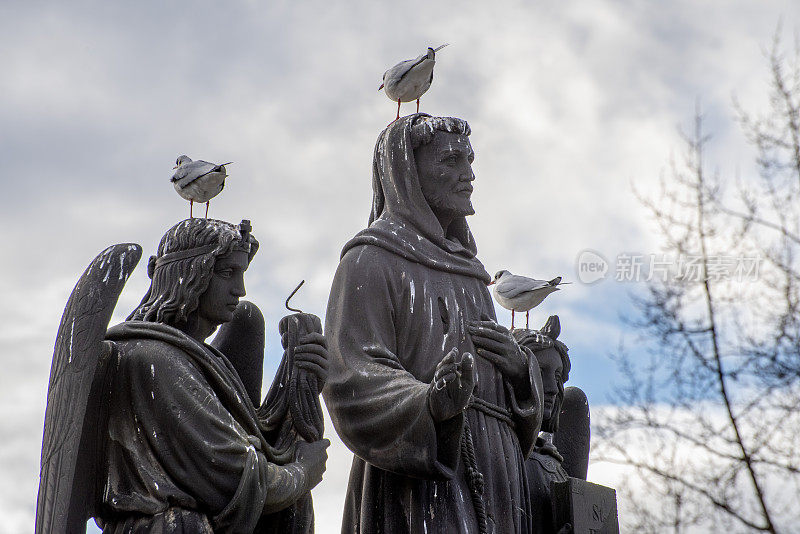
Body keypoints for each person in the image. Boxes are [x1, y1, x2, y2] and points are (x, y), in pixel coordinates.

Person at [324, 114, 544, 533]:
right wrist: (432, 403)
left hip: (498, 475)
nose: (469, 175)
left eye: (470, 160)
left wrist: (520, 373)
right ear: (407, 174)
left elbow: (513, 402)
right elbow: (352, 376)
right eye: (451, 162)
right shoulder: (369, 261)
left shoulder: (474, 276)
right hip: (423, 478)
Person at [97, 218, 330, 533]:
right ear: (189, 273)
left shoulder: (197, 358)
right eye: (227, 273)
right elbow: (234, 476)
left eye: (241, 273)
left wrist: (298, 379)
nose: (240, 289)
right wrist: (301, 471)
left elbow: (255, 441)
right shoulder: (154, 360)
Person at [513, 316, 573, 534]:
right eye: (539, 372)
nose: (552, 388)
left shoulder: (551, 462)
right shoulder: (498, 454)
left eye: (557, 376)